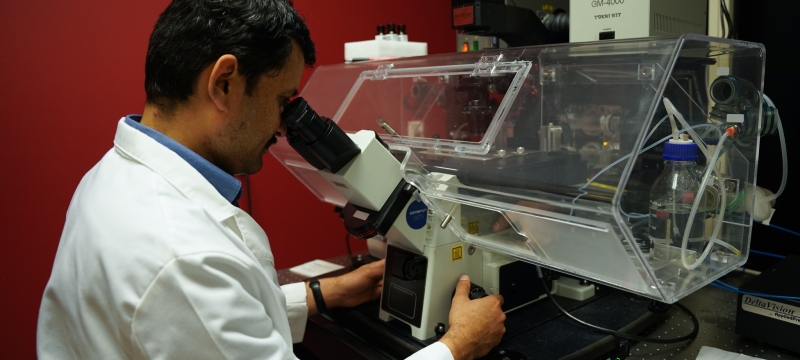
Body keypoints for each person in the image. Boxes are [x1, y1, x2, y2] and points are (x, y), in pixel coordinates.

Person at [36, 0, 506, 359]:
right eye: (283, 99)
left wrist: (319, 295)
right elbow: (195, 303)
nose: (285, 125)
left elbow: (209, 321)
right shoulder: (183, 256)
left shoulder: (112, 175)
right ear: (224, 83)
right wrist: (456, 347)